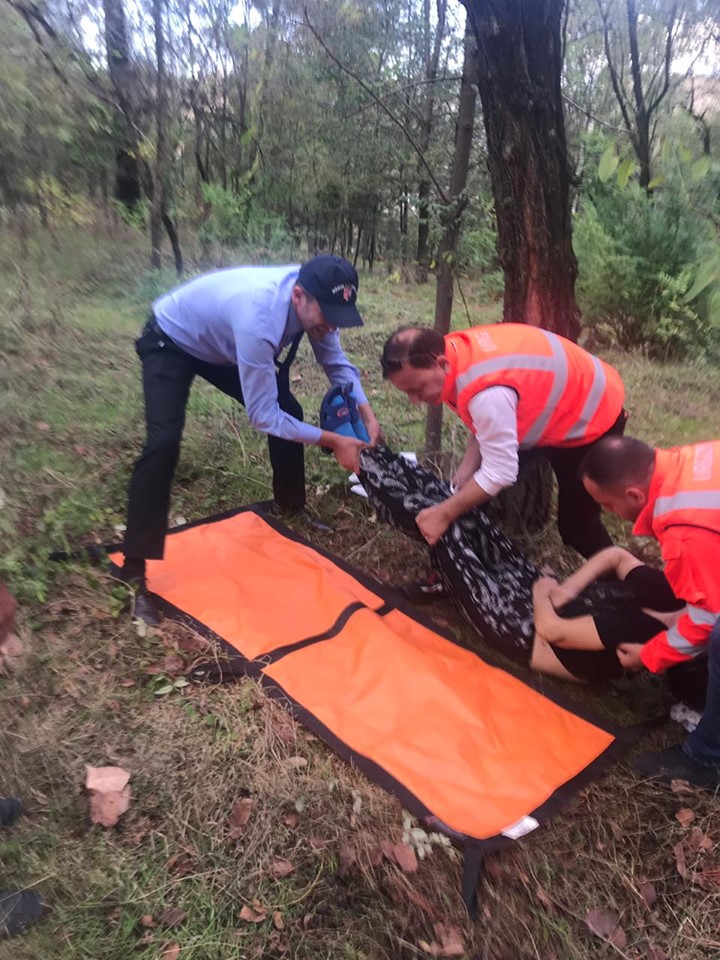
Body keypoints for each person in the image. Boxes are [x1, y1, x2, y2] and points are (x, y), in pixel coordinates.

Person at [122, 255, 380, 623]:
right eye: (327, 315)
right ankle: (134, 571)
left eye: (340, 316)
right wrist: (334, 441)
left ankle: (290, 506)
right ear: (298, 297)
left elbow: (336, 363)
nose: (331, 325)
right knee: (162, 444)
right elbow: (263, 417)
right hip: (171, 340)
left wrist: (367, 412)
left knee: (289, 406)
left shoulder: (318, 300)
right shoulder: (259, 318)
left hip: (221, 343)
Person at [359, 447, 685, 684]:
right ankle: (378, 454)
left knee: (444, 529)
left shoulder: (639, 633)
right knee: (458, 511)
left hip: (516, 626)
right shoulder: (668, 593)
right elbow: (617, 556)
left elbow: (551, 630)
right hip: (539, 594)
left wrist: (544, 591)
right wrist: (567, 586)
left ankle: (362, 464)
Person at [380, 324, 626, 558]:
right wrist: (468, 467)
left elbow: (501, 470)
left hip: (591, 416)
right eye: (407, 392)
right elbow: (484, 421)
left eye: (417, 388)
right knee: (474, 489)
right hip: (555, 402)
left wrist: (444, 513)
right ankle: (469, 560)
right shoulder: (454, 350)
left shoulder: (486, 393)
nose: (414, 399)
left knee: (577, 527)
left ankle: (626, 587)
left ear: (441, 364)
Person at [580, 435, 720, 790]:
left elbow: (706, 620)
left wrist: (649, 654)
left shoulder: (685, 531)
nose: (611, 514)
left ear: (634, 496)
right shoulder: (691, 459)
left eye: (607, 505)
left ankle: (704, 758)